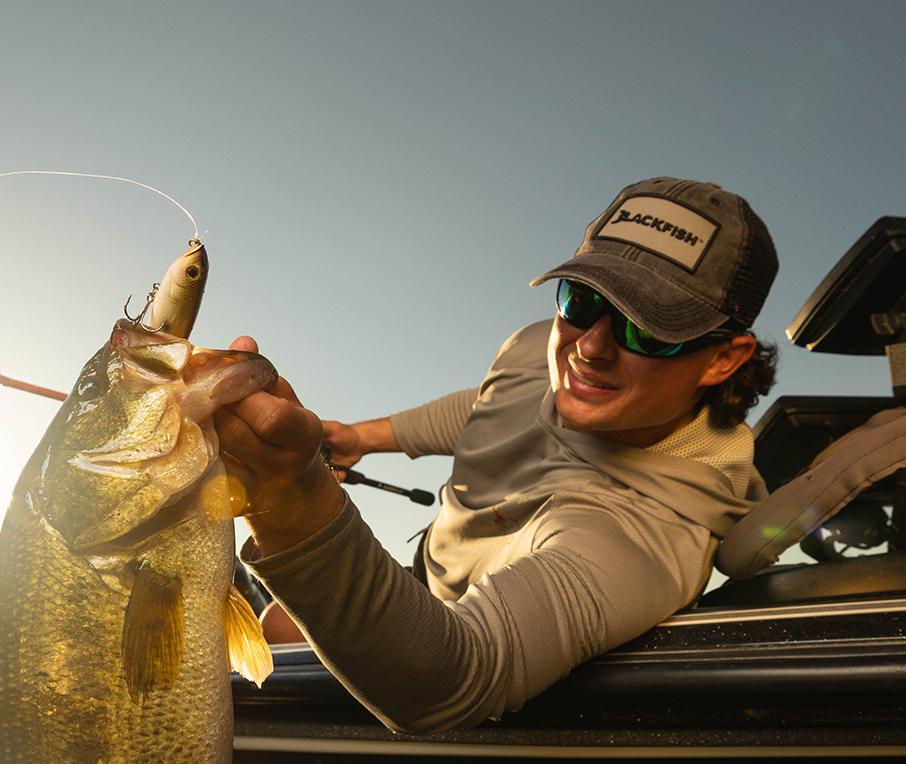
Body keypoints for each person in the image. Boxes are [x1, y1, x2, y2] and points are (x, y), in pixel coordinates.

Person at [214, 177, 780, 734]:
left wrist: (295, 508)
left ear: (723, 360)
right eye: (583, 299)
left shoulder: (647, 537)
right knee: (280, 622)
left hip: (455, 618)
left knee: (276, 634)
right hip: (430, 563)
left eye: (649, 331)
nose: (588, 348)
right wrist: (362, 437)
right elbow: (489, 402)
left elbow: (450, 681)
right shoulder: (545, 344)